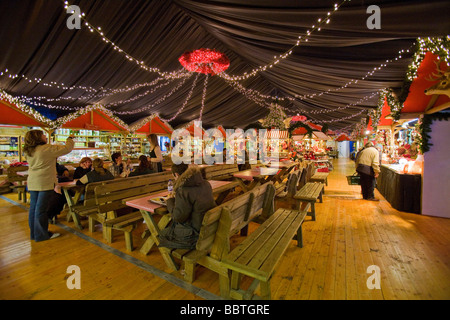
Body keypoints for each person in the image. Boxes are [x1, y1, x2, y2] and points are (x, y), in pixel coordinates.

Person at [23, 129, 74, 241]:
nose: (45, 136)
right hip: (44, 181)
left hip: (33, 181)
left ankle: (34, 234)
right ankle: (42, 235)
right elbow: (67, 148)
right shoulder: (46, 148)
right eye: (43, 135)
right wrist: (70, 139)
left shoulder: (28, 150)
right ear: (38, 137)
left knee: (34, 208)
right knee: (41, 209)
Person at [158, 164, 216, 249]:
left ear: (176, 175)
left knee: (161, 234)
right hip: (210, 226)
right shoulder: (205, 183)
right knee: (168, 228)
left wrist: (169, 201)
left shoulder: (183, 189)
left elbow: (178, 217)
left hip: (195, 234)